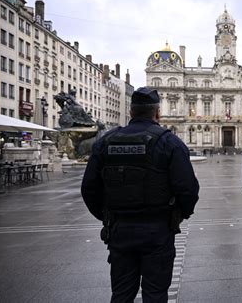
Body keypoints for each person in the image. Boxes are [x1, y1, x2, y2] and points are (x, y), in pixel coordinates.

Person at [81, 87, 199, 302]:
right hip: (158, 227)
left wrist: (108, 216)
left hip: (119, 228)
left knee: (122, 293)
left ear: (131, 112)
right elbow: (188, 188)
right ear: (157, 113)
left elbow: (89, 188)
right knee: (155, 293)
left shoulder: (105, 142)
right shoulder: (170, 142)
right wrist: (178, 215)